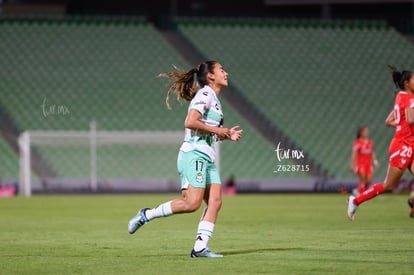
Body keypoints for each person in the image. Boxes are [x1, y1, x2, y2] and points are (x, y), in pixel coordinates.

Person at [128, 61, 243, 257]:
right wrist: (218, 130)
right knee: (192, 204)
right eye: (221, 70)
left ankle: (199, 248)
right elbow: (190, 122)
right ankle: (146, 214)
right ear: (211, 76)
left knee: (215, 202)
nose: (226, 72)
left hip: (207, 157)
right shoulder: (205, 94)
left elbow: (207, 131)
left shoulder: (215, 100)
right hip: (194, 154)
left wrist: (225, 135)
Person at [347, 66, 414, 220]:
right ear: (406, 83)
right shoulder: (409, 99)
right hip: (403, 146)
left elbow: (389, 121)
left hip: (409, 143)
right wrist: (404, 126)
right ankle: (355, 200)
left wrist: (402, 126)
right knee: (388, 185)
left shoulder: (401, 97)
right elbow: (410, 119)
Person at [349, 126, 379, 196]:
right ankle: (363, 195)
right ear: (361, 133)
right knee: (362, 180)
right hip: (360, 164)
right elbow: (354, 154)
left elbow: (372, 153)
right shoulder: (357, 143)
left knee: (369, 180)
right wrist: (352, 165)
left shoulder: (370, 142)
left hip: (368, 164)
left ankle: (358, 190)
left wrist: (375, 162)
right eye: (365, 131)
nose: (366, 132)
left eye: (367, 131)